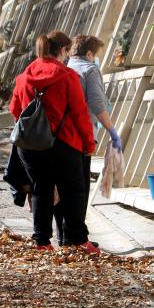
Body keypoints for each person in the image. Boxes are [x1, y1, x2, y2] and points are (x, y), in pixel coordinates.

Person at [9, 30, 99, 254]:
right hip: (64, 143)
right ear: (62, 50)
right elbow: (80, 114)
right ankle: (78, 240)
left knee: (41, 190)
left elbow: (15, 110)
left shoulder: (24, 77)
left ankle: (42, 242)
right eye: (67, 52)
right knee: (74, 190)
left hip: (30, 146)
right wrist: (89, 144)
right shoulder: (68, 76)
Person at [53, 35, 122, 245]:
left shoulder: (63, 69)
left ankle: (62, 234)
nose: (96, 60)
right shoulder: (89, 70)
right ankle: (76, 237)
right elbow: (97, 104)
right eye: (96, 55)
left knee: (60, 186)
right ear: (90, 54)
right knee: (78, 187)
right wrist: (112, 132)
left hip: (56, 137)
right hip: (80, 136)